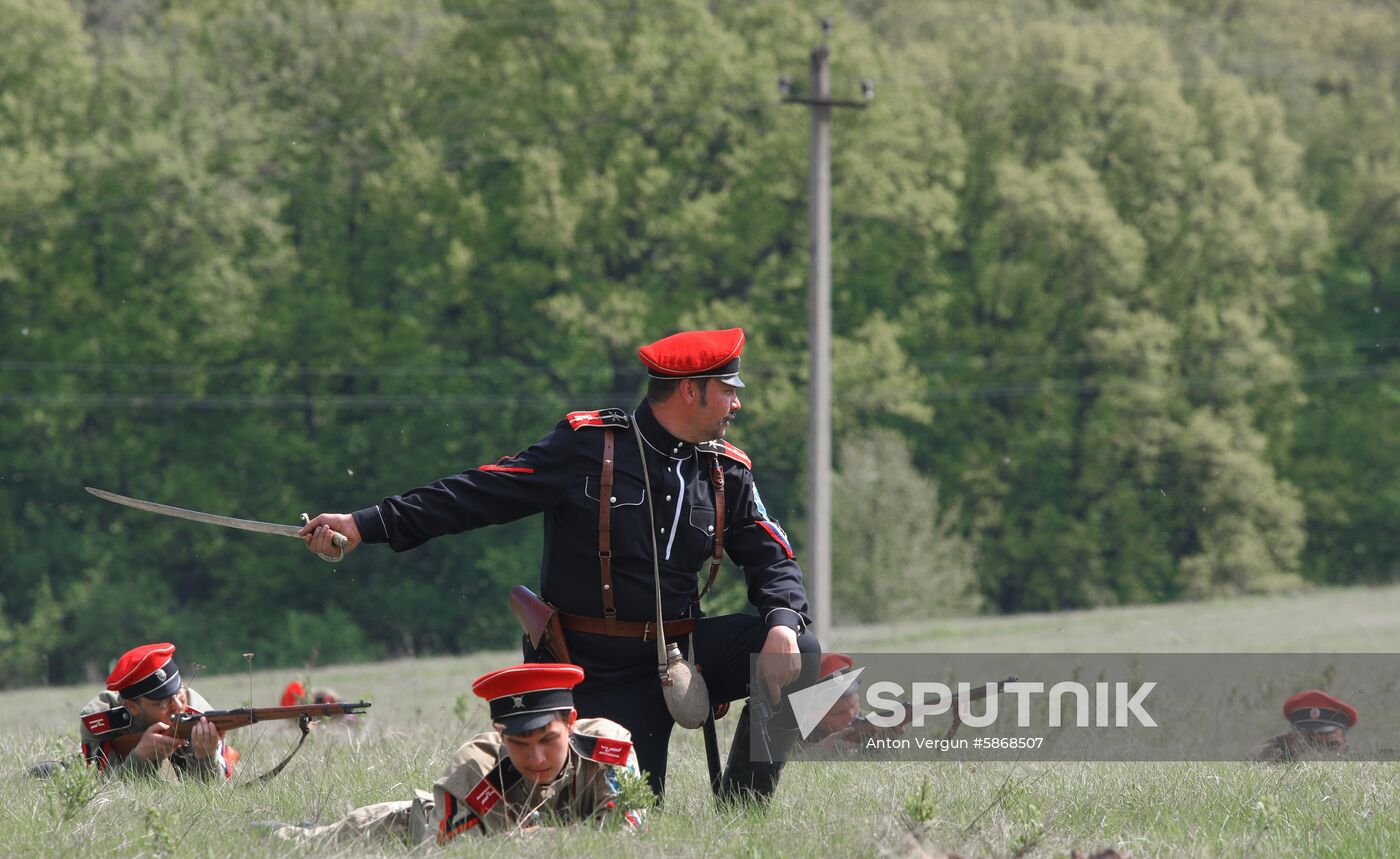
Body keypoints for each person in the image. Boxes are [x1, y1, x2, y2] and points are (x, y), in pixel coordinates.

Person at [300, 328, 821, 800]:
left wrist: (780, 623)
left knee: (807, 652)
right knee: (626, 814)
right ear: (690, 390)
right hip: (595, 670)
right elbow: (478, 493)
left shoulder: (725, 471)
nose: (736, 404)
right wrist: (365, 523)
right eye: (728, 390)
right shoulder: (588, 446)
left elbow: (775, 559)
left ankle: (742, 809)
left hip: (681, 653)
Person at [271, 663, 644, 845]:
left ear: (572, 722)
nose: (536, 759)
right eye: (519, 744)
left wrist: (529, 838)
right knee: (309, 844)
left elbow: (629, 832)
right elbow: (457, 851)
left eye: (548, 739)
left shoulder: (609, 748)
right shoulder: (476, 763)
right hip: (407, 832)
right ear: (500, 733)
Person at [78, 642, 234, 779]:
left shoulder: (199, 713)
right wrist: (140, 757)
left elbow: (215, 792)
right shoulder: (99, 720)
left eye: (178, 694)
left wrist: (206, 756)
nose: (179, 707)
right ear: (132, 706)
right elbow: (100, 787)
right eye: (163, 704)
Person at [1250, 689, 1356, 763]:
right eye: (1310, 742)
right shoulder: (1262, 757)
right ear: (1292, 738)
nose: (1320, 753)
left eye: (1331, 745)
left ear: (1345, 742)